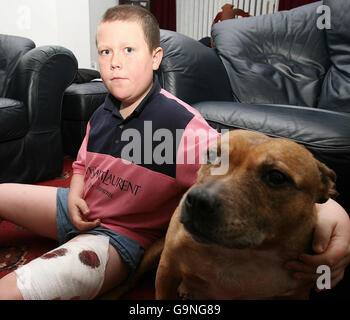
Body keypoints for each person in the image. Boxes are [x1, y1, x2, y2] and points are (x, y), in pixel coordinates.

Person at [0, 4, 349, 300]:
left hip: (121, 237)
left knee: (21, 288)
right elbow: (80, 162)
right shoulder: (101, 110)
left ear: (156, 58)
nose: (114, 63)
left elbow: (256, 166)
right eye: (105, 52)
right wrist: (75, 191)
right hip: (78, 207)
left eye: (128, 50)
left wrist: (336, 216)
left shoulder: (183, 126)